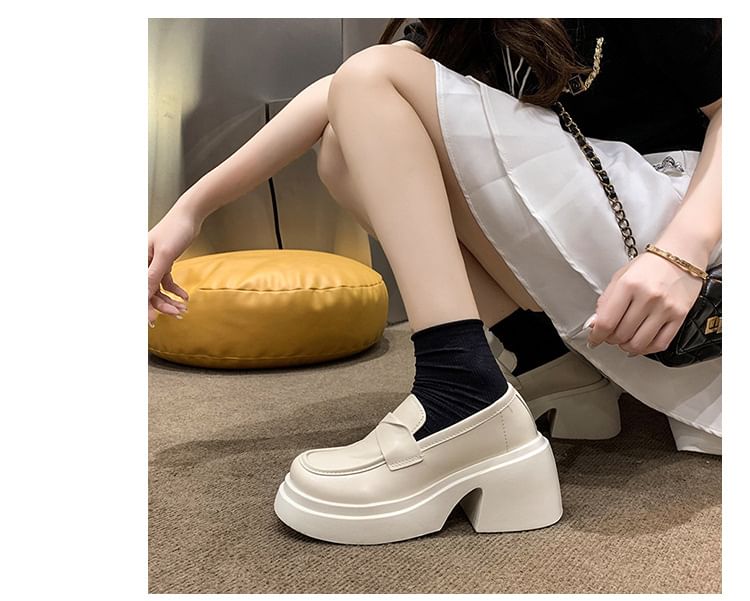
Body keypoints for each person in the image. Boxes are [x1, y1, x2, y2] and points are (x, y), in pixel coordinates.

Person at [147, 18, 721, 544]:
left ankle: (462, 395)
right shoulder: (464, 24)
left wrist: (680, 255)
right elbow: (335, 92)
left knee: (372, 81)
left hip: (689, 217)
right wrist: (189, 211)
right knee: (346, 143)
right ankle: (548, 362)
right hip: (608, 217)